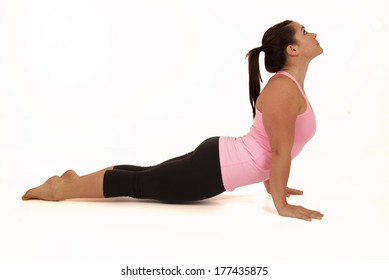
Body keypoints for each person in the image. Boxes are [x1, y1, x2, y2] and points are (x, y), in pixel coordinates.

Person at [22, 20, 324, 222]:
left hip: (218, 160)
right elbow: (280, 151)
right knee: (140, 184)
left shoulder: (287, 86)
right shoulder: (283, 89)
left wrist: (274, 186)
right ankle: (58, 190)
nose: (313, 34)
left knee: (146, 175)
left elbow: (273, 146)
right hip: (216, 167)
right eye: (305, 31)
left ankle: (75, 182)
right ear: (292, 49)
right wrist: (282, 206)